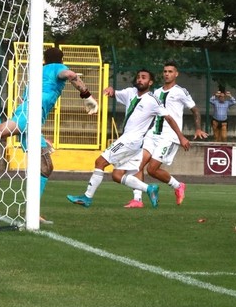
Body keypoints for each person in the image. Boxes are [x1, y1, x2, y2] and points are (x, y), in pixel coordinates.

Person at [0, 47, 98, 220]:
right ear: (61, 59)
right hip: (29, 115)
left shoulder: (40, 72)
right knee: (0, 132)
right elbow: (71, 75)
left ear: (44, 59)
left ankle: (33, 211)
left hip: (31, 119)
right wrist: (87, 95)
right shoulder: (56, 68)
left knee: (45, 168)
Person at [67, 69, 190, 208]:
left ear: (150, 82)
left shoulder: (152, 100)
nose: (140, 80)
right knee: (117, 175)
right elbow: (114, 93)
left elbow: (169, 118)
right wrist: (109, 89)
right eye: (138, 77)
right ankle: (149, 189)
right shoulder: (130, 93)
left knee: (100, 162)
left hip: (130, 141)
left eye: (143, 78)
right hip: (132, 142)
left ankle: (87, 198)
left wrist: (181, 137)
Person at [125, 61, 208, 208]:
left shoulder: (180, 91)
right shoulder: (156, 92)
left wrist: (198, 129)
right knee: (137, 164)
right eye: (165, 71)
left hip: (169, 136)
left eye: (170, 71)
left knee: (152, 170)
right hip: (153, 134)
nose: (167, 74)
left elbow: (195, 109)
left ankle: (178, 186)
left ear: (176, 74)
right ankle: (137, 200)